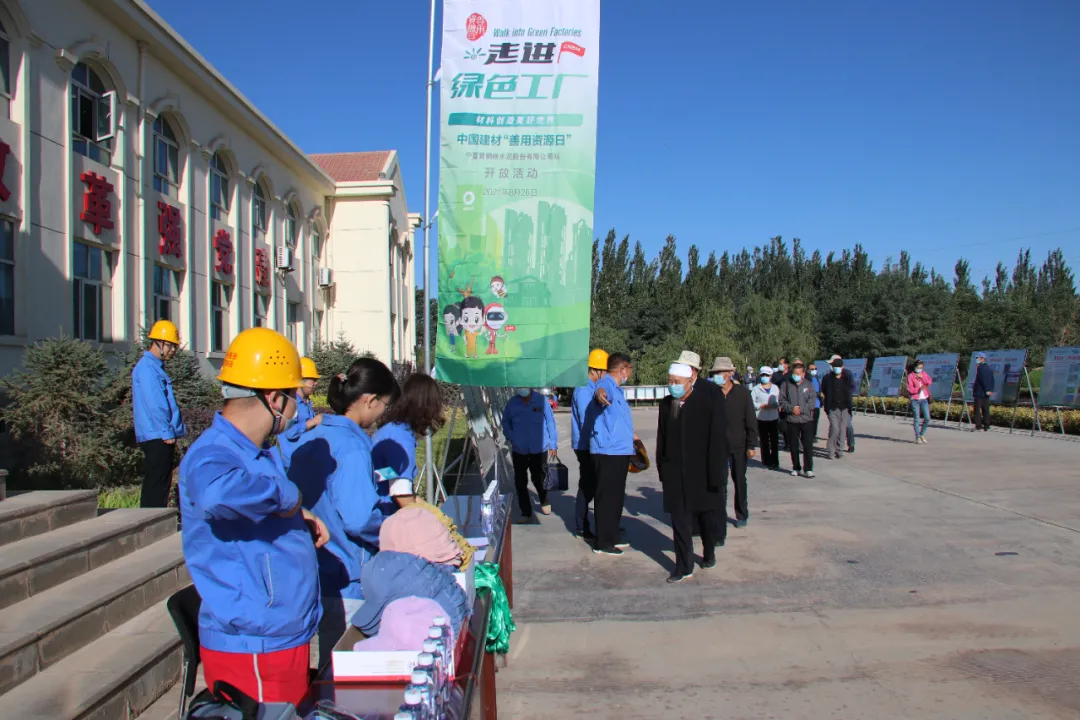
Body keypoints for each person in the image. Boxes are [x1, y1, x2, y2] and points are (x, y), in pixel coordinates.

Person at [178, 327, 330, 705]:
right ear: (274, 398)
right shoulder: (214, 452)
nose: (297, 407)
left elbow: (255, 506)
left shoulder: (254, 450)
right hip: (255, 647)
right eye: (294, 395)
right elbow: (215, 495)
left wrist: (297, 517)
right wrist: (288, 496)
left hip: (277, 635)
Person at [289, 358, 401, 669]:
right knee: (346, 670)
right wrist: (393, 528)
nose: (382, 414)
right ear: (370, 400)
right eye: (384, 406)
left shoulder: (313, 436)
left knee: (329, 662)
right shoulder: (352, 446)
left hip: (314, 567)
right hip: (347, 572)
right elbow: (358, 518)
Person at [657, 362, 728, 583]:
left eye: (677, 382)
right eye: (670, 381)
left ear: (690, 381)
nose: (673, 385)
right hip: (675, 473)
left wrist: (717, 474)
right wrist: (662, 468)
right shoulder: (667, 404)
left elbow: (717, 440)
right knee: (679, 520)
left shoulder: (706, 403)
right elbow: (662, 439)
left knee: (705, 517)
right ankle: (683, 566)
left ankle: (709, 553)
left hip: (702, 473)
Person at [132, 319, 186, 508]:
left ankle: (155, 517)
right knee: (156, 483)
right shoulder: (148, 368)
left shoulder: (154, 367)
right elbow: (155, 403)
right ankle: (151, 519)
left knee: (160, 482)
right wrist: (166, 431)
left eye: (174, 346)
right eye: (170, 346)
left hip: (158, 433)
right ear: (158, 343)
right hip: (158, 435)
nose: (173, 350)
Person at [591, 352, 637, 556]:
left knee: (616, 496)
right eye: (630, 368)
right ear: (623, 368)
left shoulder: (618, 390)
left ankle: (613, 534)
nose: (630, 372)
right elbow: (601, 391)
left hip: (619, 451)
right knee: (607, 497)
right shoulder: (607, 384)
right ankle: (603, 542)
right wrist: (600, 394)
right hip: (608, 452)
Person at [710, 357, 758, 528]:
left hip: (738, 444)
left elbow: (750, 419)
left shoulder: (742, 393)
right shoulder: (711, 393)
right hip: (717, 446)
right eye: (716, 373)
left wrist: (751, 444)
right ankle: (719, 514)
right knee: (719, 482)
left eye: (721, 372)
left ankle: (742, 513)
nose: (718, 375)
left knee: (739, 479)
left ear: (730, 373)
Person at [372, 373, 446, 483]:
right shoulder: (401, 438)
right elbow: (401, 489)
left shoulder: (394, 429)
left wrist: (397, 471)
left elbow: (381, 473)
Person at [502, 387, 558, 521]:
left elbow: (550, 421)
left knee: (539, 478)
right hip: (519, 449)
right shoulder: (512, 403)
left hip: (539, 448)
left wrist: (553, 443)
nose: (522, 388)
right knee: (520, 481)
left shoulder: (541, 400)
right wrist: (512, 436)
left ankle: (544, 499)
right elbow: (505, 422)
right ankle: (525, 512)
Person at [572, 348, 608, 539]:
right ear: (596, 370)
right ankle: (581, 525)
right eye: (605, 371)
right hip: (585, 445)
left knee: (591, 484)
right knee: (587, 485)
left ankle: (592, 523)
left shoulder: (591, 387)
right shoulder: (585, 389)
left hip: (589, 444)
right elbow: (587, 420)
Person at [277, 357, 324, 466]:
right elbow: (289, 432)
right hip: (292, 465)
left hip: (307, 461)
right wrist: (313, 422)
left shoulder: (307, 402)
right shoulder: (290, 404)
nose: (316, 383)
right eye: (313, 380)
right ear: (301, 380)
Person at [779, 358, 816, 478]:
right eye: (795, 374)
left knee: (808, 445)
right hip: (792, 420)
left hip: (806, 419)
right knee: (793, 445)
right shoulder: (786, 384)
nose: (797, 376)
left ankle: (808, 469)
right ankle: (796, 467)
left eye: (799, 374)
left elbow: (812, 401)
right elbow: (782, 401)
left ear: (803, 374)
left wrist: (802, 409)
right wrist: (791, 408)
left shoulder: (809, 385)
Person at [821, 357, 854, 459]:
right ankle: (831, 450)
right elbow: (824, 390)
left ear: (842, 367)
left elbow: (851, 389)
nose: (836, 368)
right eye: (835, 366)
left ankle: (839, 450)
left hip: (844, 407)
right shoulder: (827, 378)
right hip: (832, 407)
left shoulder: (847, 378)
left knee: (842, 429)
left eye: (838, 366)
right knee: (835, 428)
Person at [752, 366, 781, 470]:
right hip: (762, 418)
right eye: (763, 375)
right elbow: (752, 403)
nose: (765, 377)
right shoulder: (756, 389)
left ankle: (775, 461)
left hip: (773, 417)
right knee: (764, 440)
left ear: (771, 376)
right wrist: (761, 406)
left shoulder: (775, 388)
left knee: (774, 441)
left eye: (767, 375)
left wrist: (775, 405)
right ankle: (766, 460)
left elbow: (779, 400)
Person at [907, 360, 934, 444]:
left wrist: (922, 378)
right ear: (915, 367)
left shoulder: (923, 374)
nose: (920, 369)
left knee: (927, 418)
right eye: (918, 367)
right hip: (915, 399)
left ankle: (922, 434)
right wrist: (918, 389)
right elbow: (910, 389)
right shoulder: (910, 376)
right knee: (917, 419)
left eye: (921, 368)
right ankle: (917, 437)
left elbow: (929, 381)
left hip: (924, 399)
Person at [972, 352, 995, 431]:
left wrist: (987, 390)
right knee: (985, 409)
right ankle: (986, 425)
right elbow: (992, 380)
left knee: (977, 409)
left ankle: (978, 425)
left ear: (982, 359)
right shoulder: (989, 368)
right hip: (986, 392)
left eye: (977, 358)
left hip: (980, 392)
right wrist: (990, 390)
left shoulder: (980, 368)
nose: (976, 359)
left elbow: (982, 380)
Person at [775, 356, 791, 450]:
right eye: (779, 364)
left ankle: (792, 443)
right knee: (783, 425)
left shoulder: (791, 375)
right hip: (780, 403)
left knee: (791, 424)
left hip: (790, 402)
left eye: (782, 363)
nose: (780, 365)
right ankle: (787, 443)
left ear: (787, 365)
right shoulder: (776, 375)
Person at [809, 362, 822, 443]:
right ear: (808, 370)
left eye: (815, 369)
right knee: (810, 421)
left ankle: (813, 435)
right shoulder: (807, 379)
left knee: (815, 421)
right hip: (810, 404)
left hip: (817, 404)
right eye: (812, 369)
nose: (814, 370)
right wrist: (818, 394)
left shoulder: (816, 378)